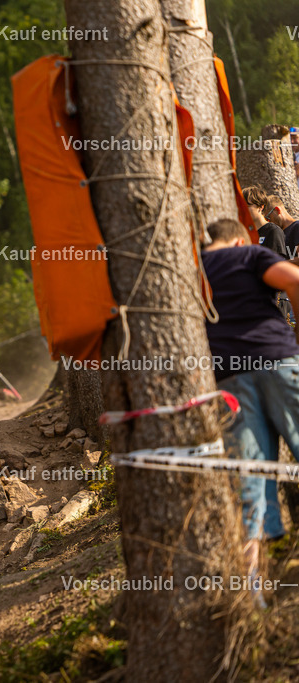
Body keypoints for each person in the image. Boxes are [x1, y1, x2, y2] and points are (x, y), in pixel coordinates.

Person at [201, 217, 299, 604]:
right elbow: (293, 280)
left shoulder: (191, 270)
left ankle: (252, 594)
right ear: (239, 238)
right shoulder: (250, 253)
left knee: (250, 478)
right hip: (278, 360)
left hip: (228, 380)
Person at [242, 186, 287, 258]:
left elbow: (276, 262)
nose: (243, 210)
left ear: (261, 207)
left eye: (247, 206)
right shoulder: (244, 232)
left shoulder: (273, 231)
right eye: (241, 207)